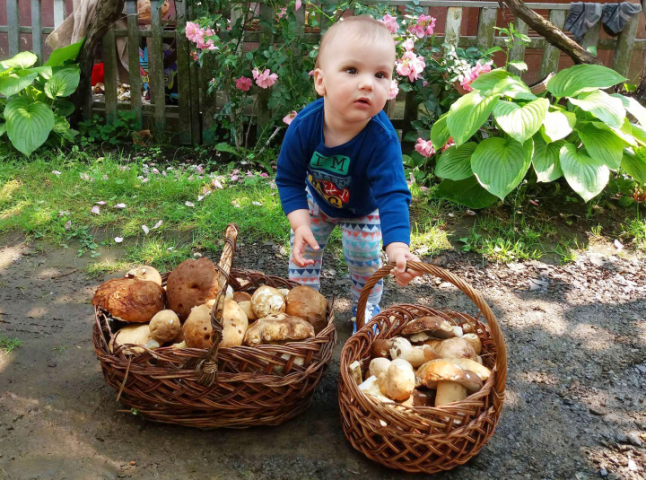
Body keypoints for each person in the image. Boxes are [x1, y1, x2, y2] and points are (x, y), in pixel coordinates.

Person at [276, 15, 421, 333]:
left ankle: (366, 305)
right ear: (320, 81)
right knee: (304, 254)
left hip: (362, 207)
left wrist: (397, 245)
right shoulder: (304, 127)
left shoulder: (381, 139)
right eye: (352, 70)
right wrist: (299, 223)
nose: (368, 83)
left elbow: (393, 193)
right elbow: (288, 179)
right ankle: (303, 306)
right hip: (317, 201)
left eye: (380, 74)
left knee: (365, 256)